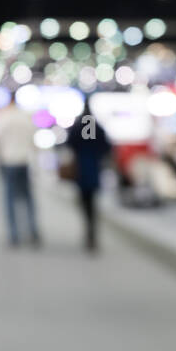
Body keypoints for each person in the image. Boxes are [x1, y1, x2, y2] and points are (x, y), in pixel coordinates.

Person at [65, 100, 112, 253]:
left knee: (85, 203)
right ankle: (92, 234)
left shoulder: (78, 126)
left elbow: (69, 143)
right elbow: (106, 146)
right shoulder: (96, 127)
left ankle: (88, 233)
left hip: (81, 169)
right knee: (92, 203)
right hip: (94, 169)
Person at [0, 99, 40, 247]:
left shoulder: (3, 117)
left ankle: (14, 234)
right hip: (24, 161)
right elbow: (33, 141)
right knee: (28, 198)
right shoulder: (26, 117)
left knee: (9, 199)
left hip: (8, 161)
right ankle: (32, 230)